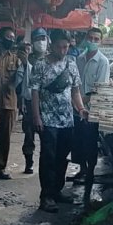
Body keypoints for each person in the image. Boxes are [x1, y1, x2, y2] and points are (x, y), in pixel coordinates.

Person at [30, 30, 88, 212]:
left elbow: (75, 91)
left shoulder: (71, 64)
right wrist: (36, 116)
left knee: (62, 157)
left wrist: (80, 108)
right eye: (59, 47)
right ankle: (46, 196)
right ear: (51, 45)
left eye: (66, 47)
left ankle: (57, 190)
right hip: (47, 119)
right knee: (48, 157)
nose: (63, 50)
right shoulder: (40, 65)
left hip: (67, 120)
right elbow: (35, 92)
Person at [74, 28, 110, 203]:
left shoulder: (102, 61)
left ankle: (89, 173)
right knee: (78, 141)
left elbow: (100, 89)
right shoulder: (79, 59)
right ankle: (81, 169)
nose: (93, 41)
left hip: (92, 109)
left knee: (90, 143)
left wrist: (81, 99)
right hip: (76, 107)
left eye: (96, 39)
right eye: (90, 38)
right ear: (86, 39)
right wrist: (77, 101)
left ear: (100, 41)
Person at [0, 26, 22, 180]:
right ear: (0, 38)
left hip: (10, 103)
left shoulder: (16, 58)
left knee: (5, 138)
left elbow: (22, 82)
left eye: (13, 37)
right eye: (8, 36)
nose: (11, 40)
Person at [19, 28, 48, 174]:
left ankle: (45, 163)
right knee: (29, 135)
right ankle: (29, 162)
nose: (41, 42)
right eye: (38, 39)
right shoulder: (27, 59)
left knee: (46, 136)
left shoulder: (50, 59)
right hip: (30, 103)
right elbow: (21, 83)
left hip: (46, 104)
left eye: (43, 38)